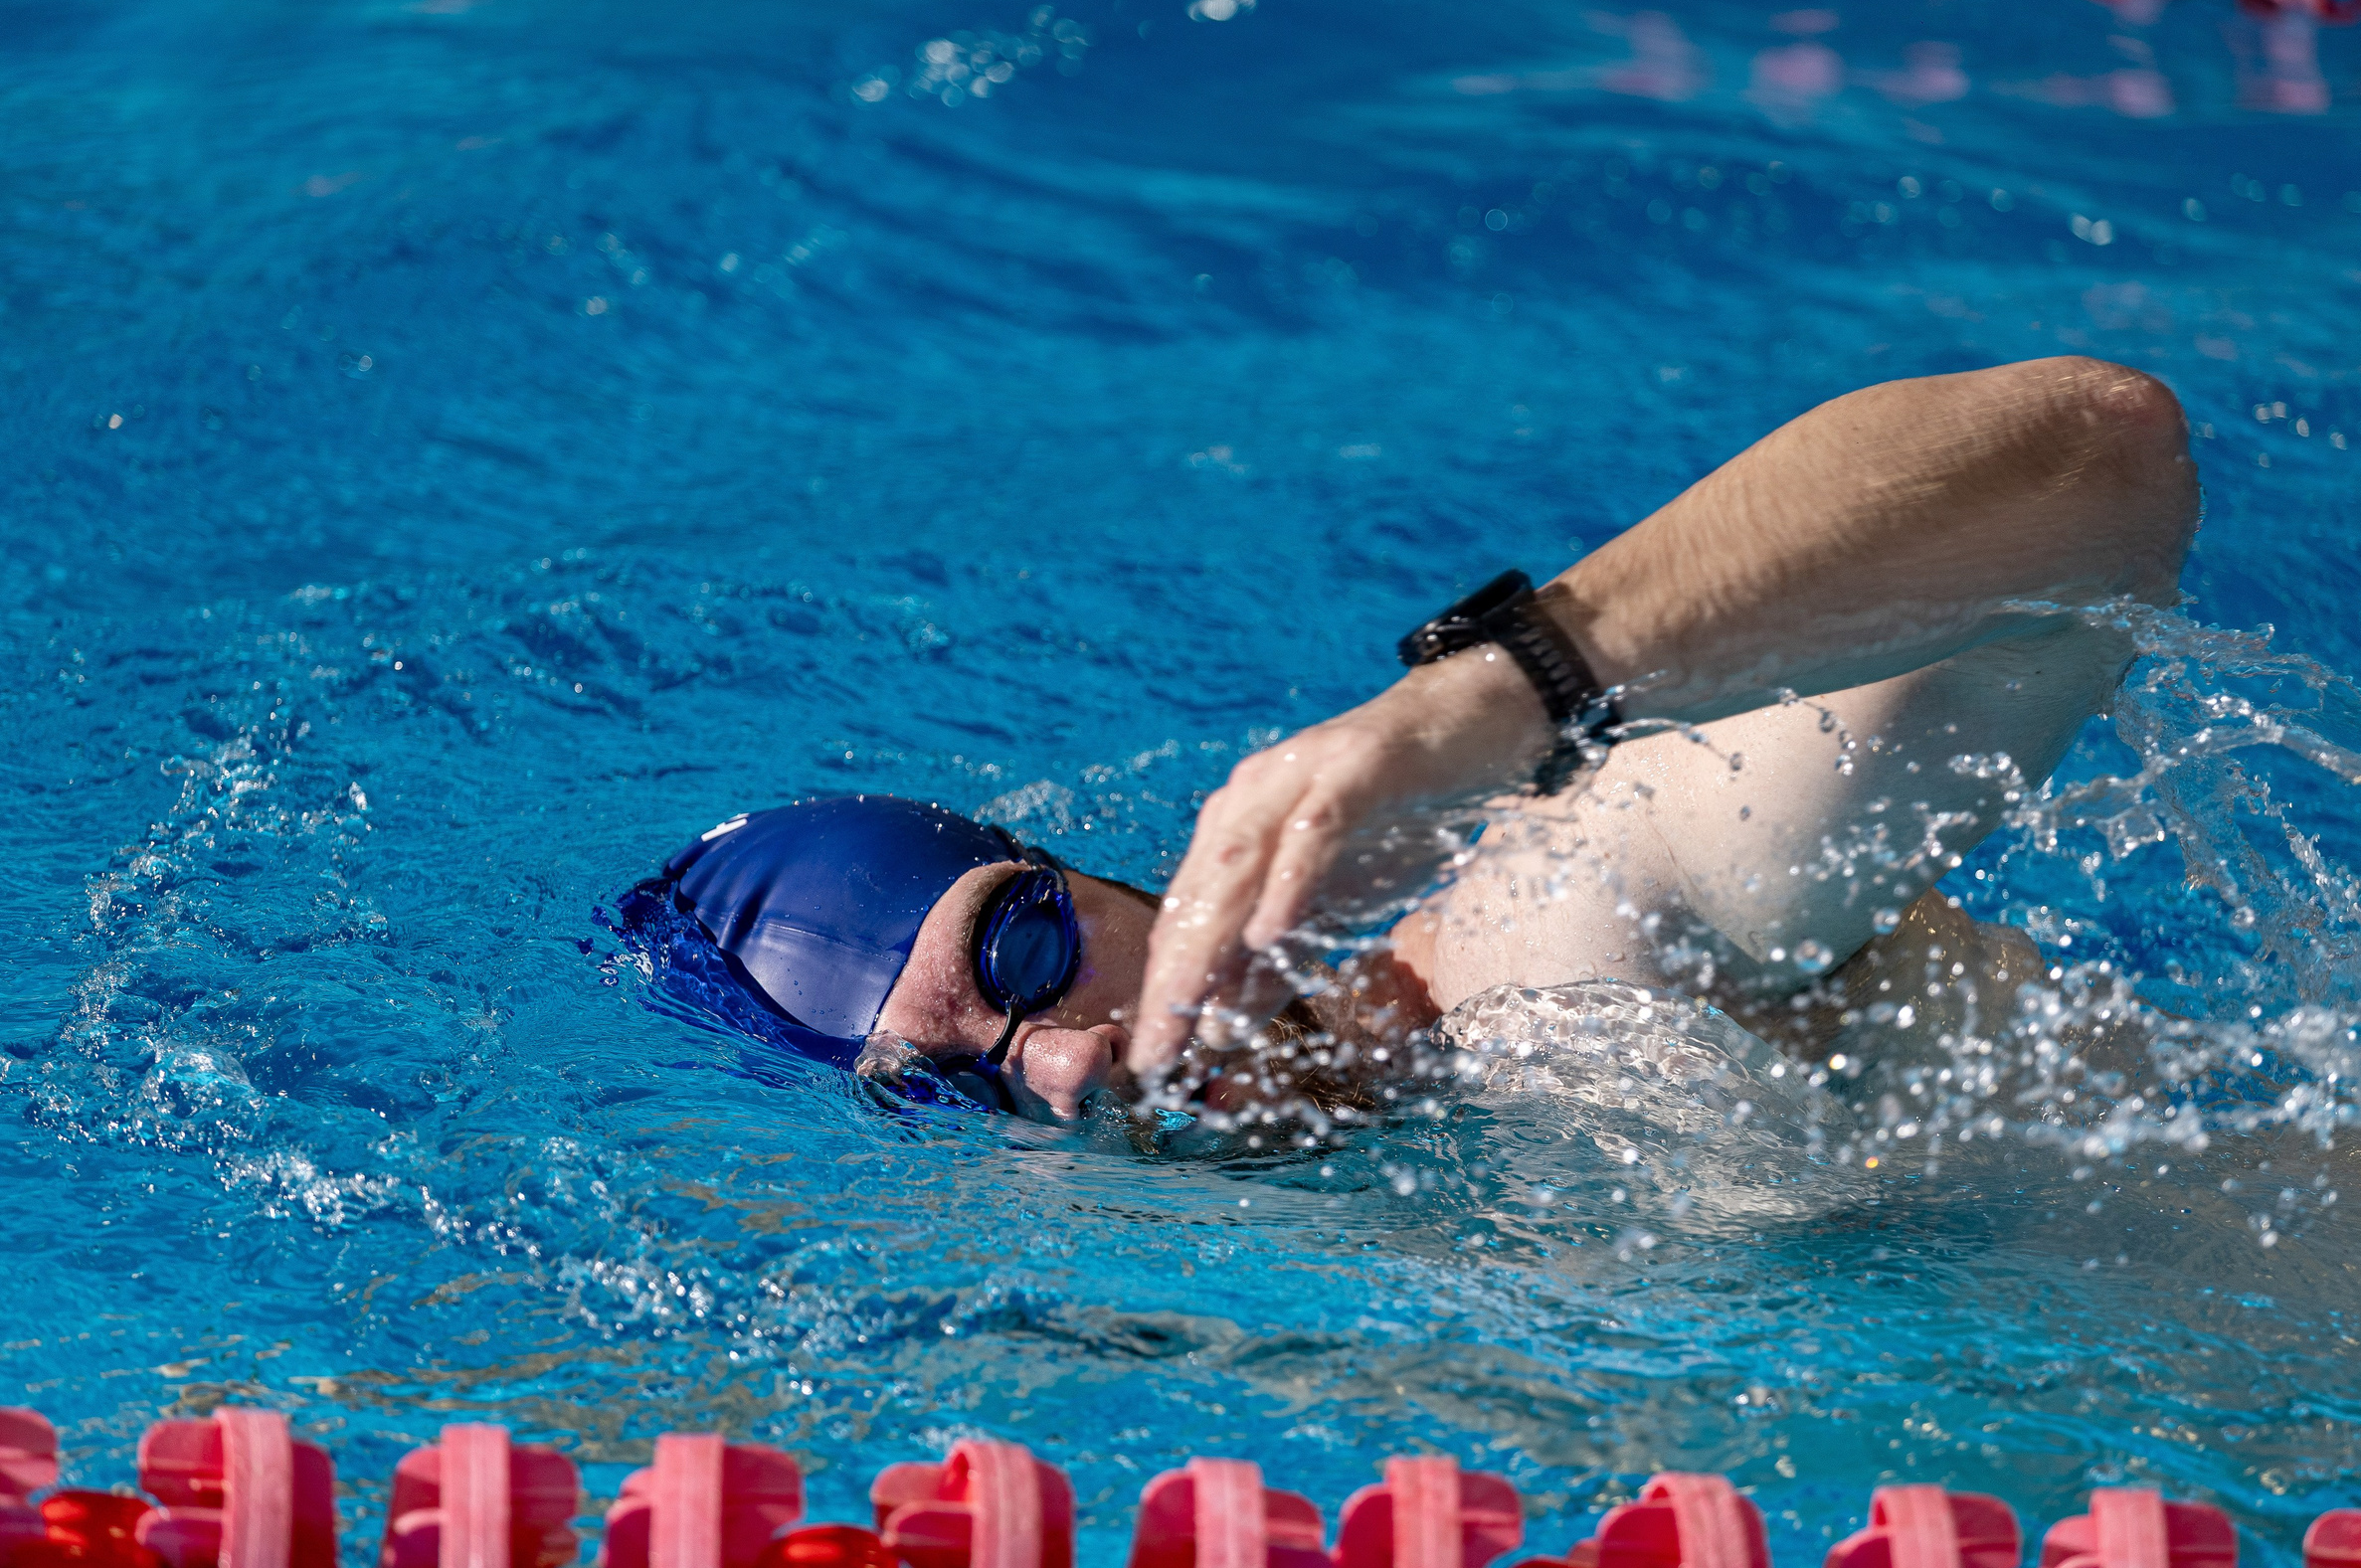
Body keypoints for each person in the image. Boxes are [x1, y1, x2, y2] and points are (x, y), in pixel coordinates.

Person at [628, 356, 2199, 1126]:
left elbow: (2104, 472)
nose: (1070, 1060)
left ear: (1117, 884)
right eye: (938, 1090)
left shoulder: (1578, 932)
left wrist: (1508, 690)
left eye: (1031, 955)